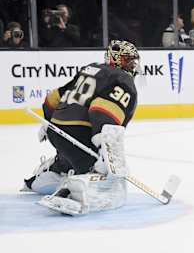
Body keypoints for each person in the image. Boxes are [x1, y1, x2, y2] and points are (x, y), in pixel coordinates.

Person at [22, 40, 140, 215]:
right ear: (116, 60)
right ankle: (70, 193)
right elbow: (101, 111)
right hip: (81, 135)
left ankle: (42, 178)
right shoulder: (122, 80)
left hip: (59, 132)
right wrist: (105, 151)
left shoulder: (91, 69)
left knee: (70, 160)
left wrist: (48, 123)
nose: (133, 65)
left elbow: (53, 98)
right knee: (113, 181)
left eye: (133, 61)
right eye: (127, 60)